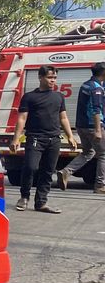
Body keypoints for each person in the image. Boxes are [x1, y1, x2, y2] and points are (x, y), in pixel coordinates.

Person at [10, 65, 78, 213]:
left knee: (48, 171)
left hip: (54, 139)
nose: (52, 80)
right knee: (30, 167)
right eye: (49, 77)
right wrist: (16, 139)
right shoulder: (29, 97)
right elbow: (22, 119)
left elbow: (63, 118)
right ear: (40, 77)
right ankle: (24, 197)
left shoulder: (58, 96)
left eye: (54, 78)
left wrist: (70, 136)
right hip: (35, 138)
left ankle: (41, 202)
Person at [59, 62, 105, 194]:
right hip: (92, 126)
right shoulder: (96, 88)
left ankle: (66, 171)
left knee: (88, 152)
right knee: (103, 154)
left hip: (81, 126)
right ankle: (100, 185)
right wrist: (98, 129)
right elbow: (97, 110)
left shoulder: (86, 84)